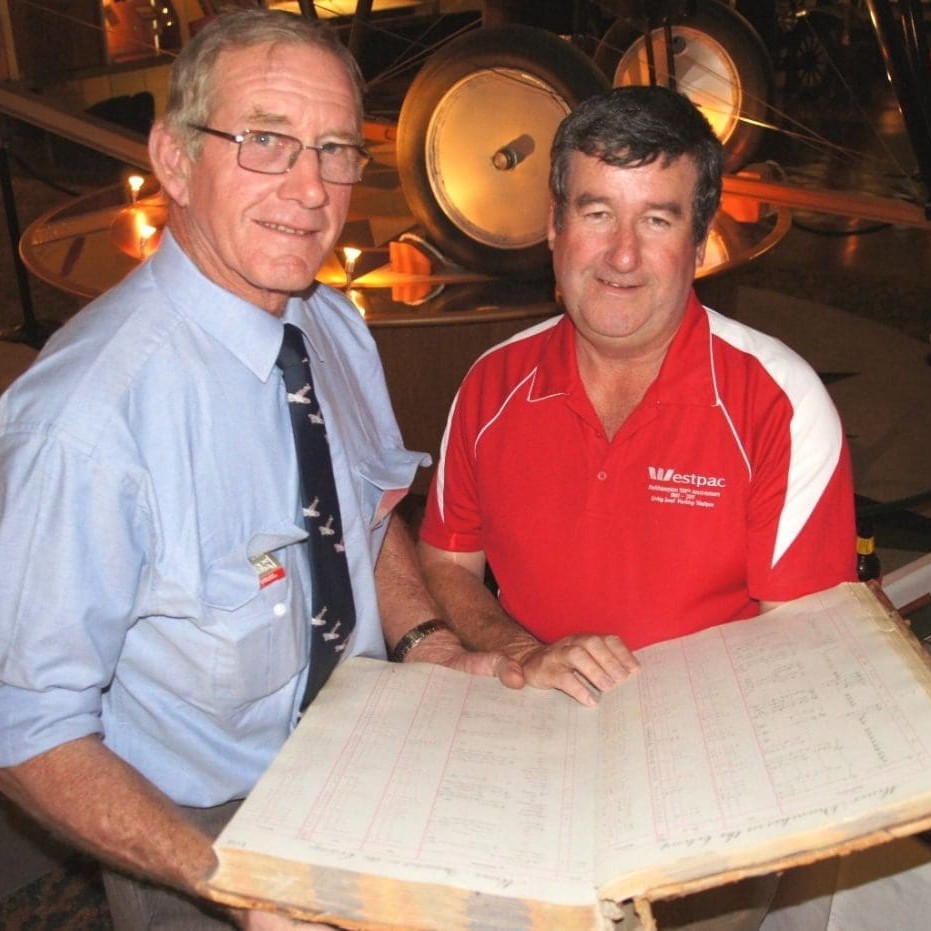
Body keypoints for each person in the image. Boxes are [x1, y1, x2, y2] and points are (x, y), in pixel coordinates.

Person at [0, 9, 517, 930]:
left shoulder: (328, 324)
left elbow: (361, 517)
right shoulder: (82, 423)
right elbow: (28, 727)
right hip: (191, 828)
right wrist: (229, 879)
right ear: (171, 157)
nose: (311, 189)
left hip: (366, 758)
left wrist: (430, 644)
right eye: (265, 141)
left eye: (333, 149)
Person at [417, 85, 858, 928]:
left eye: (655, 220)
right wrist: (524, 655)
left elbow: (800, 653)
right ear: (552, 229)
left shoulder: (775, 400)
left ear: (696, 242)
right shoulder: (491, 386)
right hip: (525, 770)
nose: (620, 256)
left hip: (706, 808)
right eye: (595, 213)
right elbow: (443, 563)